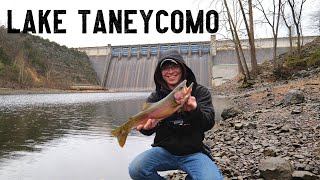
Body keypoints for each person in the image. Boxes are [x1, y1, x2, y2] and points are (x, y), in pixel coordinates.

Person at [128, 49, 223, 180]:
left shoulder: (200, 92)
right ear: (160, 73)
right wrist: (147, 129)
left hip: (194, 152)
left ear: (183, 69)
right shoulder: (155, 97)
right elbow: (148, 130)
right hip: (164, 151)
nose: (171, 71)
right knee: (136, 169)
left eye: (174, 66)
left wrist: (194, 111)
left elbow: (208, 123)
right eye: (166, 68)